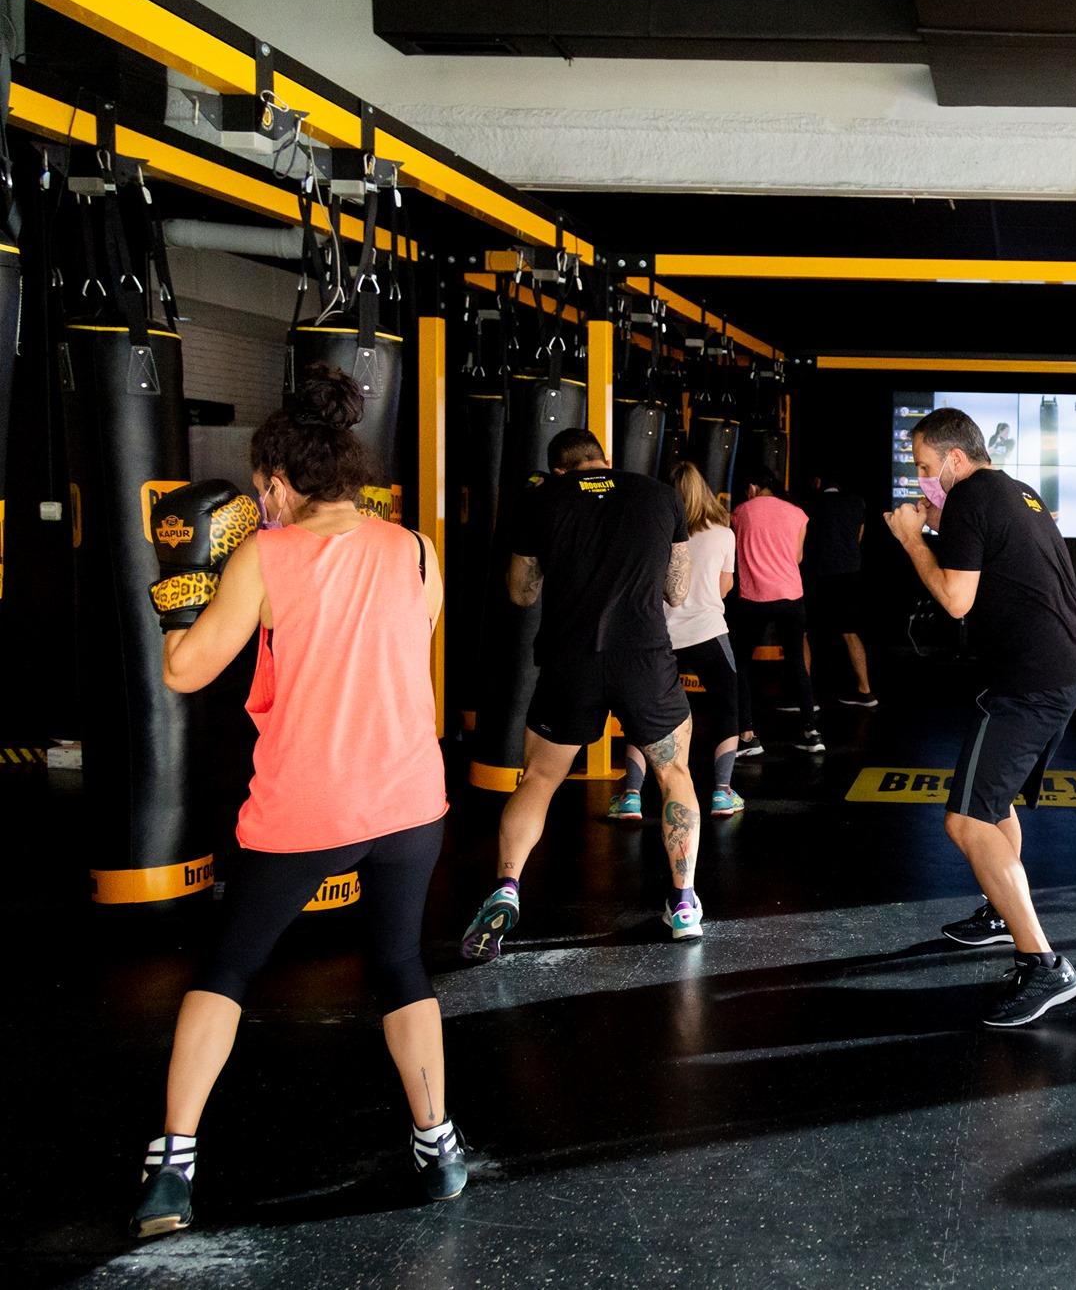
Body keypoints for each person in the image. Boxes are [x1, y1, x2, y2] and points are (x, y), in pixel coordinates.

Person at [131, 368, 461, 1238]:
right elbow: (410, 632)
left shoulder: (263, 555)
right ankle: (439, 1145)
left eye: (260, 490)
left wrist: (180, 584)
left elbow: (183, 669)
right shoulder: (416, 547)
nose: (259, 502)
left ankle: (172, 1165)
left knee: (228, 969)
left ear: (277, 482)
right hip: (409, 800)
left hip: (306, 806)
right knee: (399, 965)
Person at [459, 427, 703, 959]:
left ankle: (506, 886)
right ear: (605, 460)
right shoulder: (658, 495)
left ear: (560, 469)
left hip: (571, 661)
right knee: (674, 773)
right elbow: (677, 591)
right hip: (644, 659)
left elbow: (521, 594)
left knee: (540, 780)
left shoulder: (541, 499)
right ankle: (683, 902)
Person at [884, 408, 1076, 1027]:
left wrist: (912, 540)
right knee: (995, 806)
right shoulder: (1014, 490)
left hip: (1029, 684)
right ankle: (1002, 914)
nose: (923, 480)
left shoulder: (972, 495)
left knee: (966, 821)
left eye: (925, 467)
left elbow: (954, 600)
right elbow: (983, 552)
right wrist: (936, 527)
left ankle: (1045, 964)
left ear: (953, 458)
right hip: (1056, 672)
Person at [610, 461, 746, 821]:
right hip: (708, 633)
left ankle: (631, 797)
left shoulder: (653, 530)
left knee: (646, 713)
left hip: (660, 635)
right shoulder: (723, 533)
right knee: (728, 708)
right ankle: (721, 792)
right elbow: (726, 586)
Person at [730, 468, 824, 753]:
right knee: (796, 661)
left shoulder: (741, 512)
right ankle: (811, 731)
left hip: (754, 596)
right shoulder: (798, 513)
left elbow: (733, 548)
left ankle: (747, 735)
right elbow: (797, 557)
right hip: (790, 595)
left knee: (742, 662)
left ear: (752, 487)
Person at [799, 471, 876, 707]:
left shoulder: (811, 504)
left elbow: (803, 542)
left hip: (819, 574)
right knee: (850, 632)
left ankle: (805, 697)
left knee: (803, 632)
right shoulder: (856, 502)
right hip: (850, 574)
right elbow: (858, 536)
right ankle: (866, 691)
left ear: (818, 482)